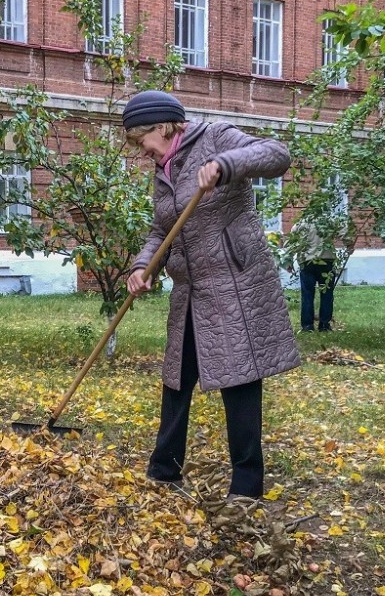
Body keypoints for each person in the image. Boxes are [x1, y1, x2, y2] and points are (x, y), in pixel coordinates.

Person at [122, 90, 301, 500]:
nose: (141, 150)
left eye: (140, 140)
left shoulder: (216, 137)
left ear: (163, 127)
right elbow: (160, 229)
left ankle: (246, 486)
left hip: (233, 286)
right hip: (190, 289)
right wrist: (140, 266)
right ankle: (164, 471)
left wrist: (225, 165)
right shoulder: (163, 170)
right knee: (177, 378)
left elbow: (277, 153)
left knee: (239, 382)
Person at [287, 216, 352, 332]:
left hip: (307, 262)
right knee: (327, 294)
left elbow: (290, 242)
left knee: (307, 295)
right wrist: (349, 245)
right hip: (326, 262)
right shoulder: (330, 220)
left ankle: (307, 326)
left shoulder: (300, 223)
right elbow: (344, 231)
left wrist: (289, 261)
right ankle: (324, 325)